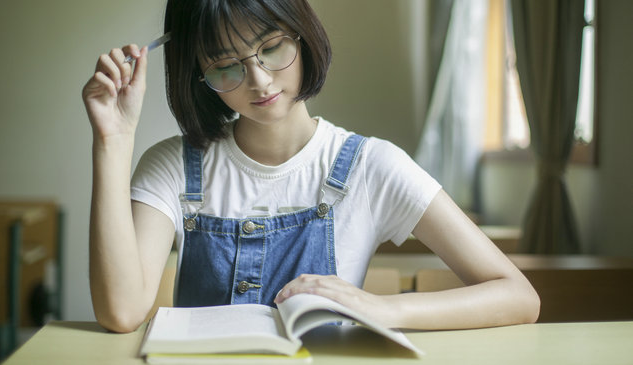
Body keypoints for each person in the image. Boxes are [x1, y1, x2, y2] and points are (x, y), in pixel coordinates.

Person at [82, 0, 539, 333]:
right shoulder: (174, 166)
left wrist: (384, 309)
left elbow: (517, 296)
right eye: (226, 67)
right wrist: (113, 140)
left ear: (302, 32)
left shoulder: (371, 166)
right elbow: (121, 311)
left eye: (273, 47)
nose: (259, 81)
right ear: (198, 76)